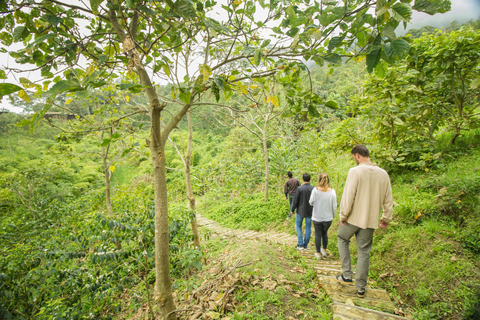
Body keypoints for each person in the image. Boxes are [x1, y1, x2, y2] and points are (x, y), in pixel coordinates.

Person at [336, 144, 393, 298]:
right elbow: (388, 200)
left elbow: (349, 195)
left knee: (342, 238)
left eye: (353, 157)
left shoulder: (355, 171)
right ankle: (361, 288)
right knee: (364, 252)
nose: (354, 160)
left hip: (353, 218)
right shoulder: (383, 174)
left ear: (358, 156)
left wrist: (343, 215)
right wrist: (386, 218)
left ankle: (347, 275)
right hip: (370, 220)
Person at [309, 173, 336, 259]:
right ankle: (324, 250)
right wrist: (333, 214)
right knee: (325, 233)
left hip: (317, 216)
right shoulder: (332, 191)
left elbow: (311, 202)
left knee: (318, 234)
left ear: (319, 180)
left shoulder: (315, 190)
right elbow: (334, 205)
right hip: (328, 217)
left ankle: (318, 253)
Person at [290, 173, 314, 250]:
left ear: (303, 179)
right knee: (308, 227)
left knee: (298, 226)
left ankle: (300, 244)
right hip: (310, 211)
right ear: (310, 179)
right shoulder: (313, 189)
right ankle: (305, 245)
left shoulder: (299, 189)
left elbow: (296, 200)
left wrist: (292, 209)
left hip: (300, 210)